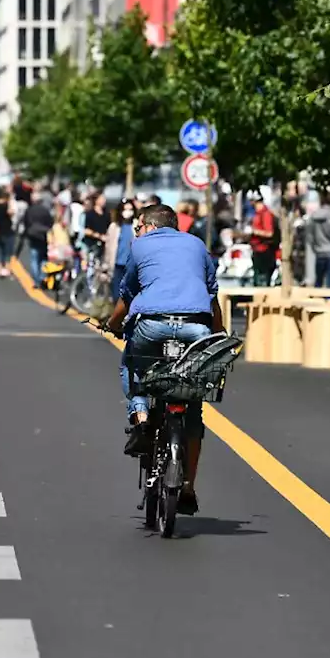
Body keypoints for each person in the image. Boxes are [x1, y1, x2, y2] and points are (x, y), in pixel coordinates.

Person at [106, 204, 223, 516]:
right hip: (196, 327)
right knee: (193, 403)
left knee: (135, 364)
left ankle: (142, 417)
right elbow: (212, 296)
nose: (139, 231)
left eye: (140, 226)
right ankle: (188, 487)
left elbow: (127, 294)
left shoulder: (140, 245)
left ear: (149, 225)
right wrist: (219, 333)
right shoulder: (197, 244)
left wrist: (112, 325)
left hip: (152, 325)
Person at [305, 191, 330, 288]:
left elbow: (310, 235)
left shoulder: (313, 217)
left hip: (319, 251)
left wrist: (314, 246)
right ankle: (328, 298)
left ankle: (317, 293)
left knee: (319, 277)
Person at [108, 199, 138, 295]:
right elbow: (109, 247)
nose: (128, 212)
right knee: (116, 292)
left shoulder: (136, 225)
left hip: (132, 265)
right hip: (117, 264)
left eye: (130, 209)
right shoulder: (114, 226)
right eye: (125, 209)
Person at [22, 195, 54, 283]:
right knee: (43, 257)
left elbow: (25, 222)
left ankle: (36, 280)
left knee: (34, 257)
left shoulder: (29, 210)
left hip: (32, 234)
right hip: (43, 234)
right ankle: (43, 276)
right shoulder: (45, 210)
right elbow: (50, 223)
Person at [248, 192, 278, 286]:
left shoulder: (265, 214)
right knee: (257, 279)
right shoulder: (257, 214)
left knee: (263, 280)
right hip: (257, 249)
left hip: (264, 250)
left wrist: (254, 232)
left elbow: (269, 233)